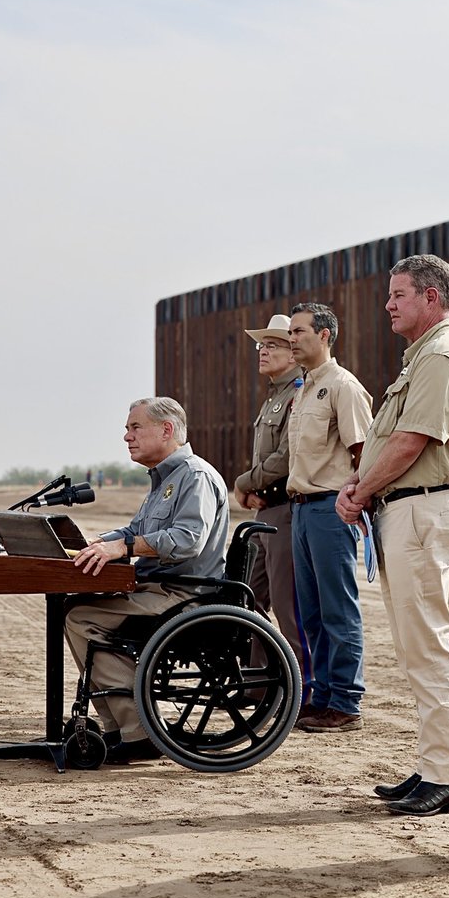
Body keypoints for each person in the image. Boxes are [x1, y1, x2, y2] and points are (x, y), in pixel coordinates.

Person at [336, 254, 449, 816]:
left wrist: (360, 491)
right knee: (414, 647)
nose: (388, 305)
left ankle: (445, 775)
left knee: (426, 646)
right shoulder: (422, 356)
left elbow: (410, 442)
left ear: (431, 297)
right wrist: (361, 486)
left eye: (399, 294)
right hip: (405, 509)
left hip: (422, 509)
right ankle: (432, 766)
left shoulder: (442, 356)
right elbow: (390, 443)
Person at [65, 396, 229, 763]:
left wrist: (122, 547)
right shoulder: (165, 479)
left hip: (183, 595)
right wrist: (97, 543)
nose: (127, 436)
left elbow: (187, 540)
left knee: (81, 617)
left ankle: (139, 731)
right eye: (128, 429)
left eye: (135, 427)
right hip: (158, 588)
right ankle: (119, 729)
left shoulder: (195, 476)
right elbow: (134, 531)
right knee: (76, 607)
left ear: (166, 430)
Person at [287, 302, 373, 733]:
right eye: (290, 332)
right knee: (312, 612)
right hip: (302, 509)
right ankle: (321, 697)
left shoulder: (343, 386)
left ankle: (345, 702)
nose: (291, 339)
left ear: (324, 335)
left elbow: (364, 453)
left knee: (338, 609)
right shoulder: (304, 389)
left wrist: (357, 504)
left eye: (299, 331)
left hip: (329, 509)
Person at [233, 313, 312, 699]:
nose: (263, 351)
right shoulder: (274, 396)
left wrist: (244, 483)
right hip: (265, 510)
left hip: (284, 511)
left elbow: (285, 457)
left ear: (293, 353)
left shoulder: (298, 393)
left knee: (287, 605)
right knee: (249, 599)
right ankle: (258, 686)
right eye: (261, 345)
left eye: (273, 345)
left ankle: (301, 692)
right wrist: (252, 492)